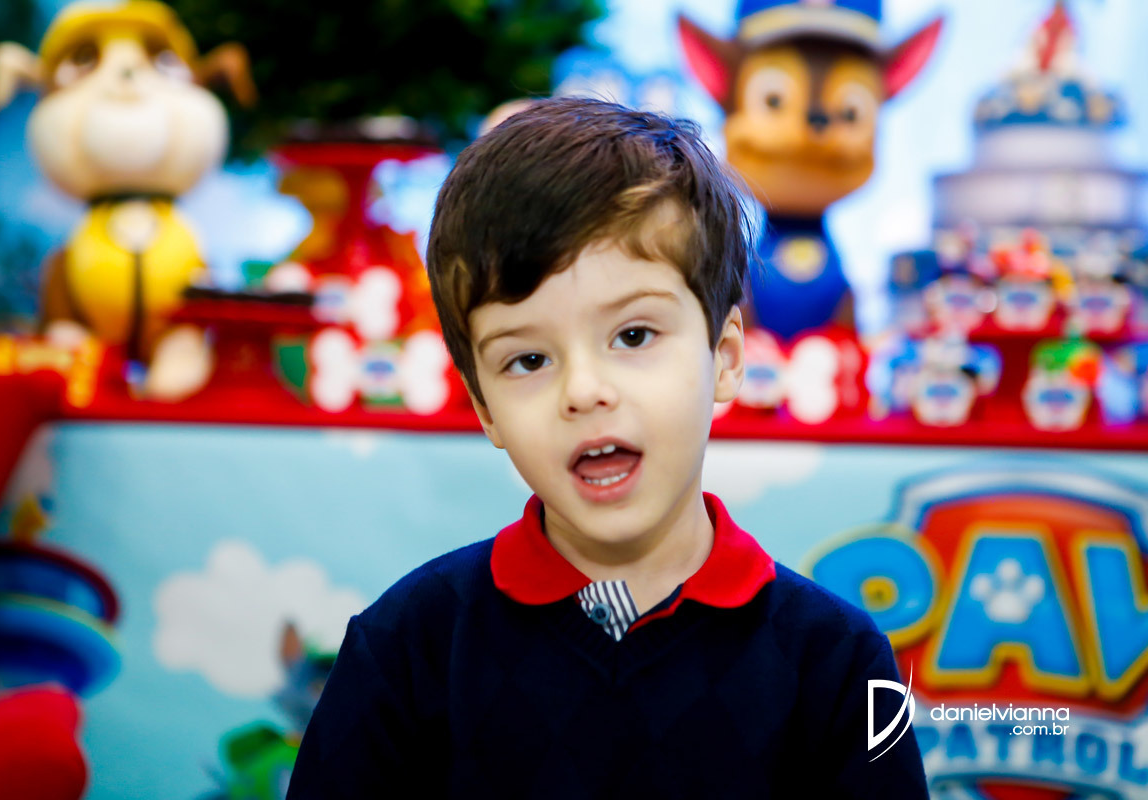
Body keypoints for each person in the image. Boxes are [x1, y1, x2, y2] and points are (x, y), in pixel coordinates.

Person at [286, 97, 928, 799]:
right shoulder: (408, 648)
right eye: (528, 360)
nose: (584, 391)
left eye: (633, 336)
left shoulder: (837, 663)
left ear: (725, 357)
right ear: (485, 408)